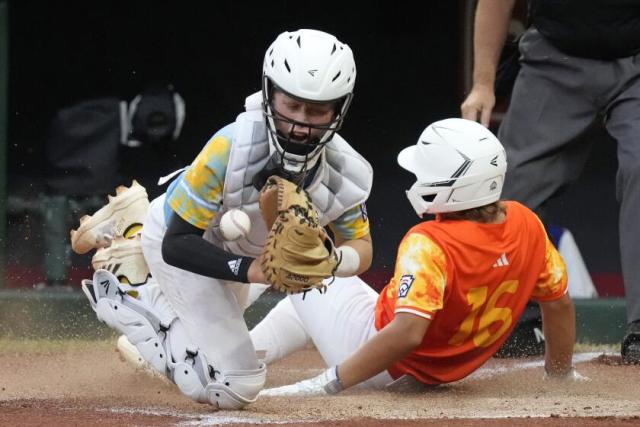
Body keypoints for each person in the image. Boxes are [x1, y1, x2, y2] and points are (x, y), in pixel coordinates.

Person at [77, 29, 373, 409]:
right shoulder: (231, 145)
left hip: (241, 254)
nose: (301, 123)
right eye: (292, 106)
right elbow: (177, 242)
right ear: (269, 94)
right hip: (184, 244)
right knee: (236, 385)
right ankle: (131, 287)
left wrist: (334, 261)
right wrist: (256, 270)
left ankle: (157, 312)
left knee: (200, 360)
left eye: (316, 111)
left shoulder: (345, 171)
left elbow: (362, 247)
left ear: (339, 109)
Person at [256, 118, 584, 398]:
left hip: (379, 359)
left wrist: (326, 383)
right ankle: (241, 359)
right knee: (304, 309)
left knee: (302, 266)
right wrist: (560, 375)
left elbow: (408, 333)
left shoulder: (429, 242)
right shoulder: (526, 221)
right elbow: (559, 304)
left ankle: (226, 364)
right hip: (434, 372)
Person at [460, 0, 640, 364]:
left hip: (636, 59)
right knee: (507, 191)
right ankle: (509, 321)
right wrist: (483, 83)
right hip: (554, 59)